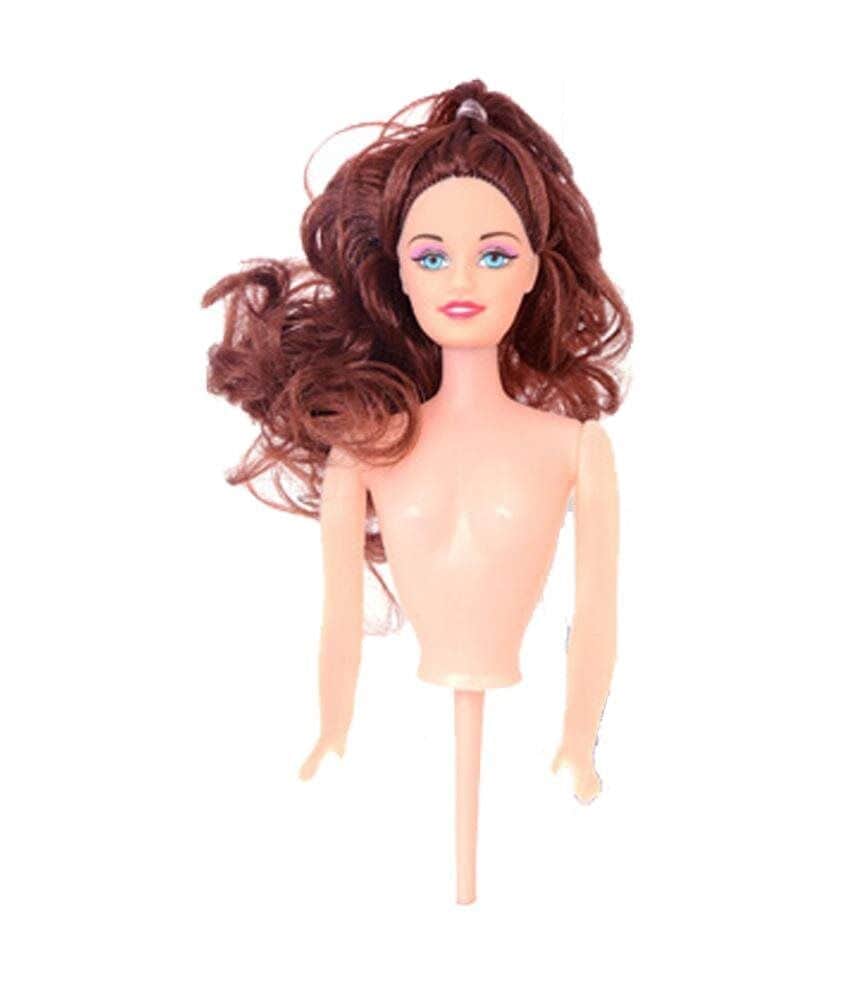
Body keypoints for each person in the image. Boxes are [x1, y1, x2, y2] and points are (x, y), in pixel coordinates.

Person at [201, 79, 631, 904]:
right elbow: (338, 612)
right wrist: (332, 723)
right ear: (397, 274)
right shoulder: (366, 448)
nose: (460, 278)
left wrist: (579, 738)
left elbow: (597, 611)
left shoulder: (575, 447)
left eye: (493, 255)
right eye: (431, 256)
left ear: (533, 273)